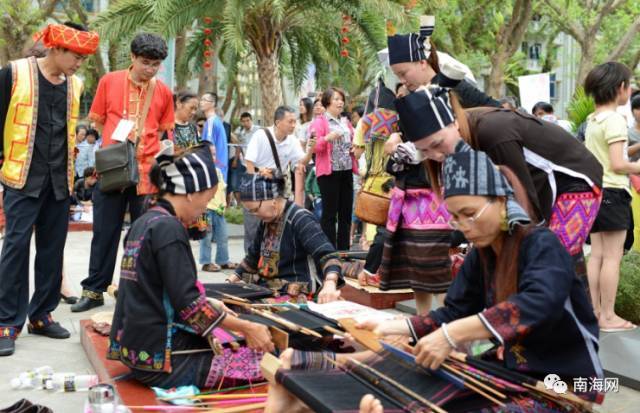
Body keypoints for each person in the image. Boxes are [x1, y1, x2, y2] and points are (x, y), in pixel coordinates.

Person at [360, 147, 603, 404]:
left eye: (470, 214)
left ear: (501, 201)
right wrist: (393, 327)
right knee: (419, 388)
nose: (464, 227)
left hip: (565, 382)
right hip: (515, 371)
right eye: (455, 218)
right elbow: (455, 311)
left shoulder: (542, 244)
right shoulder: (481, 255)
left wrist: (451, 335)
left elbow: (538, 302)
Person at [394, 63, 603, 302]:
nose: (437, 155)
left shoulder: (493, 132)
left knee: (552, 259)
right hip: (538, 185)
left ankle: (578, 323)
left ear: (453, 122)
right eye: (425, 151)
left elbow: (523, 199)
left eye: (437, 144)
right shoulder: (458, 143)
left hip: (576, 181)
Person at [108, 143, 274, 388]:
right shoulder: (169, 228)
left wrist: (213, 307)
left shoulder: (145, 221)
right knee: (270, 363)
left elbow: (159, 289)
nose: (205, 208)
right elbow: (190, 307)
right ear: (189, 193)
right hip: (162, 360)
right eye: (207, 199)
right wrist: (247, 327)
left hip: (135, 351)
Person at [0, 22, 100, 356]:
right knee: (14, 249)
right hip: (21, 179)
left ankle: (41, 315)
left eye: (84, 58)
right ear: (56, 48)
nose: (79, 64)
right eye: (76, 55)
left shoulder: (76, 85)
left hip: (59, 182)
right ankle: (6, 322)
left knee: (51, 251)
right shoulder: (14, 74)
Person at [72, 33, 175, 313]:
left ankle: (135, 291)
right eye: (145, 62)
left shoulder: (164, 91)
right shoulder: (109, 81)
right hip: (112, 171)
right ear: (132, 58)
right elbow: (99, 121)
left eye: (155, 64)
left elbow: (166, 131)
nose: (150, 69)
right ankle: (93, 290)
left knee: (141, 237)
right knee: (104, 232)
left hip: (147, 174)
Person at [583, 62, 639, 332]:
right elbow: (618, 164)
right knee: (613, 258)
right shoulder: (616, 119)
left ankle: (595, 312)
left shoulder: (593, 120)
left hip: (595, 192)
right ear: (620, 88)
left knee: (597, 256)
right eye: (629, 84)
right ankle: (608, 316)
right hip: (614, 192)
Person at [228, 173, 343, 303]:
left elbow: (328, 255)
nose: (254, 215)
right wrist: (230, 281)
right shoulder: (265, 221)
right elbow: (252, 258)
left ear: (272, 200)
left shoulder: (301, 219)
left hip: (295, 294)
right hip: (267, 290)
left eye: (255, 210)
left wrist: (330, 283)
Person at [386, 15, 500, 108]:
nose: (402, 81)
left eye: (403, 73)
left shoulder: (453, 85)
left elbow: (497, 109)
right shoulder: (407, 97)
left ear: (422, 62)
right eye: (397, 75)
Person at [242, 106, 314, 253]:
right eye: (290, 122)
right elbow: (249, 161)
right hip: (257, 181)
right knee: (254, 225)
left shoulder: (292, 140)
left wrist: (311, 151)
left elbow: (301, 162)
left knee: (276, 224)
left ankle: (270, 261)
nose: (293, 125)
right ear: (277, 122)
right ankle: (250, 262)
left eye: (295, 122)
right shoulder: (261, 135)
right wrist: (254, 187)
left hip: (277, 184)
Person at [309, 88, 359, 251]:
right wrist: (327, 138)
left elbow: (353, 141)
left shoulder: (346, 121)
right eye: (336, 99)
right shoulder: (319, 122)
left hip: (346, 171)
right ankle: (329, 251)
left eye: (341, 99)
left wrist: (353, 147)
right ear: (327, 102)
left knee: (345, 213)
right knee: (330, 213)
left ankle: (344, 251)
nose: (340, 102)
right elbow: (313, 147)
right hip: (329, 173)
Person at [199, 146, 236, 272]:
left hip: (219, 210)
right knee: (206, 237)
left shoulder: (218, 172)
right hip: (205, 211)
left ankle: (223, 260)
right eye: (210, 154)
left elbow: (222, 189)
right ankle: (206, 262)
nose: (213, 157)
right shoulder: (200, 173)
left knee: (223, 236)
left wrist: (225, 204)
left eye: (214, 154)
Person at [229, 112, 259, 204]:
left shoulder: (258, 130)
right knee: (238, 184)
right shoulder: (240, 132)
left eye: (248, 120)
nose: (246, 123)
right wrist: (236, 159)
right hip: (244, 162)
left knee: (255, 183)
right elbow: (239, 146)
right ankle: (240, 205)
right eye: (244, 121)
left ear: (251, 120)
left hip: (257, 162)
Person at [199, 92, 228, 183]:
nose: (201, 102)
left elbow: (208, 147)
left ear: (212, 104)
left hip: (214, 171)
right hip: (219, 170)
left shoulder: (211, 122)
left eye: (204, 100)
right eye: (201, 100)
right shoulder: (215, 121)